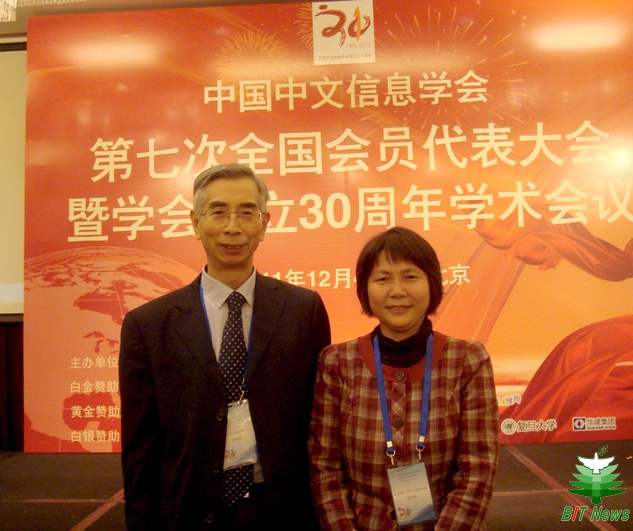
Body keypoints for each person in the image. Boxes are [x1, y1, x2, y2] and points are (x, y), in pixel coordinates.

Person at [119, 163, 331, 530]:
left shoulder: (303, 310)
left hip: (282, 509)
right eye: (218, 212)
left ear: (264, 223)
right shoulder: (149, 324)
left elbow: (320, 423)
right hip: (189, 510)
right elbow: (141, 445)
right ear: (195, 222)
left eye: (247, 213)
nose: (233, 227)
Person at [309, 227, 499, 530]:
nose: (397, 291)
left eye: (410, 277)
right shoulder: (337, 362)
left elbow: (477, 472)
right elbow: (324, 468)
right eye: (382, 279)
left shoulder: (468, 360)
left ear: (432, 283)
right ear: (365, 289)